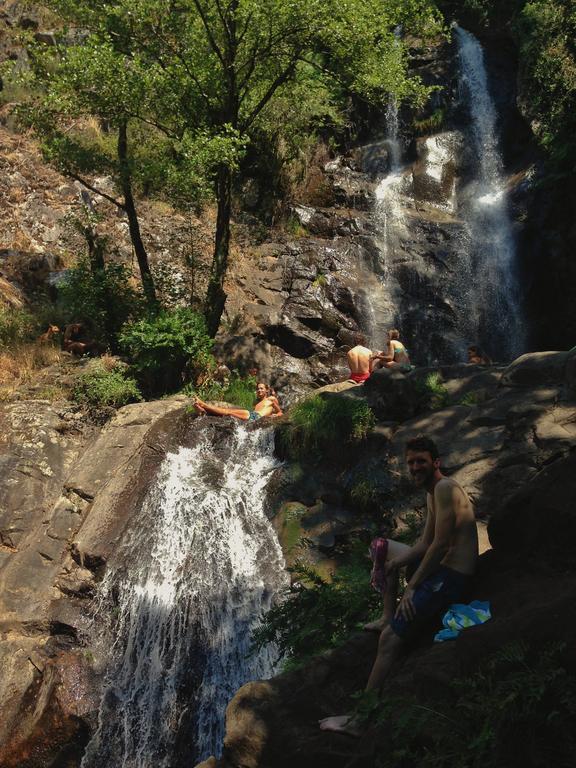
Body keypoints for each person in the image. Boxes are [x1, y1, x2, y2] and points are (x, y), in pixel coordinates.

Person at [319, 435, 478, 736]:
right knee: (382, 547)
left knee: (390, 640)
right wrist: (392, 564)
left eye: (421, 461)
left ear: (436, 462)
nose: (415, 467)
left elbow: (441, 545)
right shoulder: (433, 493)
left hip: (453, 577)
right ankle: (386, 616)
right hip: (440, 568)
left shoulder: (444, 487)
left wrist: (412, 587)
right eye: (411, 462)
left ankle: (360, 718)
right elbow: (424, 543)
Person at [192, 382, 283, 421]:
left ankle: (203, 404)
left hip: (255, 417)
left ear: (267, 390)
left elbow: (280, 412)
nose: (259, 390)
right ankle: (205, 412)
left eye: (261, 388)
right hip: (252, 416)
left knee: (228, 412)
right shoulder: (257, 404)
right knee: (228, 413)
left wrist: (276, 415)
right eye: (257, 389)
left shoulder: (271, 399)